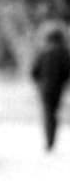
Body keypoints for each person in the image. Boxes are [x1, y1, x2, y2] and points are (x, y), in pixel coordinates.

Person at [30, 23, 70, 151]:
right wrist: (63, 82)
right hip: (58, 88)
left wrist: (39, 83)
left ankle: (49, 140)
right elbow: (67, 71)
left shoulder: (43, 52)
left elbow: (34, 71)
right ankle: (52, 139)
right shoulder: (64, 53)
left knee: (47, 113)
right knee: (54, 113)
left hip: (45, 87)